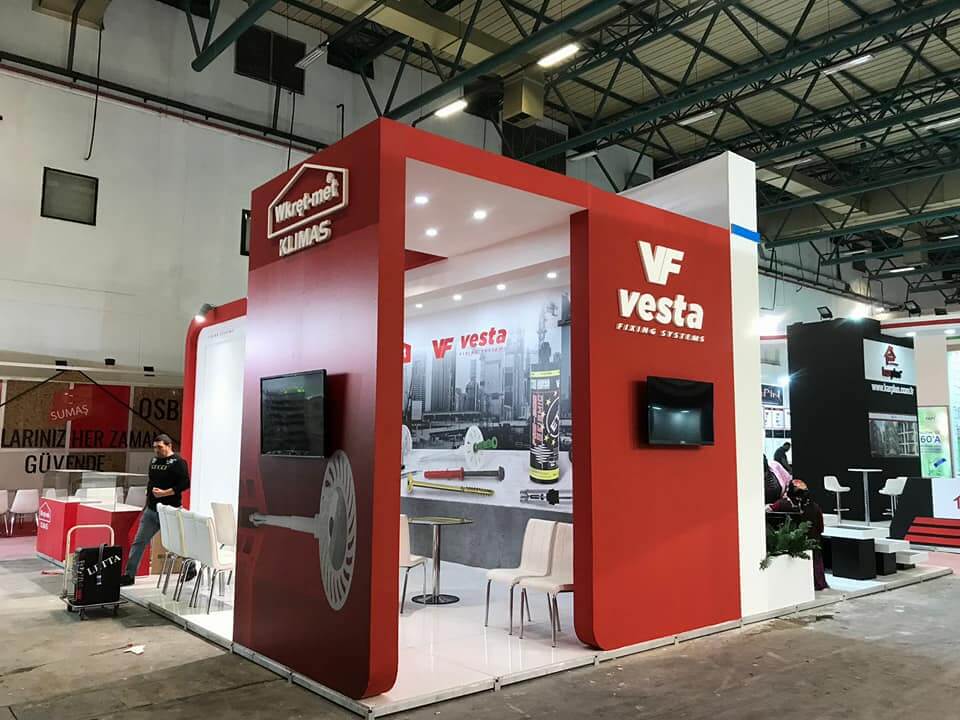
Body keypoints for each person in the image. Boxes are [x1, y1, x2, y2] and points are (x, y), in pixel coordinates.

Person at [119, 434, 191, 586]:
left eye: (160, 447)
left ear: (169, 445)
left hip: (170, 510)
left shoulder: (178, 462)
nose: (157, 450)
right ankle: (129, 574)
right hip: (151, 510)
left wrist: (166, 493)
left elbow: (185, 484)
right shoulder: (154, 461)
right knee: (139, 542)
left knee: (178, 542)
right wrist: (148, 498)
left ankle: (190, 566)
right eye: (155, 447)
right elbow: (151, 481)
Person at [771, 478, 828, 591]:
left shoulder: (781, 504)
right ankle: (819, 583)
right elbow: (820, 527)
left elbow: (769, 512)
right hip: (813, 541)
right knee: (816, 558)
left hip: (790, 544)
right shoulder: (814, 507)